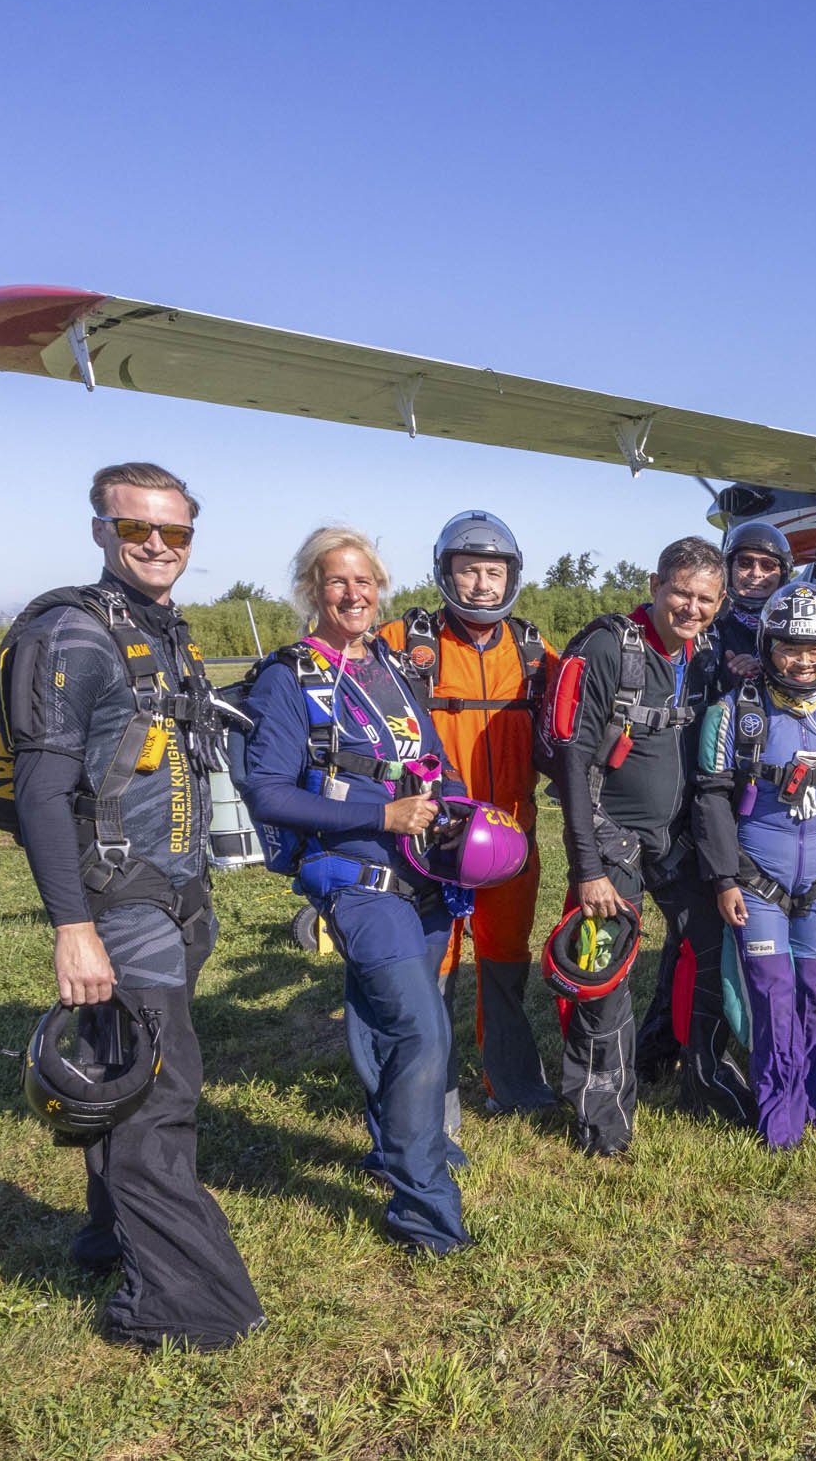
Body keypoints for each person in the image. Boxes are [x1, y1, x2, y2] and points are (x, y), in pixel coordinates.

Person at [5, 462, 263, 1347]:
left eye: (175, 531)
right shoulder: (74, 635)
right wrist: (73, 929)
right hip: (116, 903)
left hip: (170, 894)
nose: (157, 544)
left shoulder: (158, 628)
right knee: (159, 1097)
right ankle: (192, 1307)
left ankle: (108, 1236)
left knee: (125, 1071)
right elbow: (42, 794)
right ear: (101, 531)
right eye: (136, 528)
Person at [241, 525, 473, 1253]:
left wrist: (464, 816)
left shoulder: (394, 669)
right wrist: (381, 813)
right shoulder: (289, 677)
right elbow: (268, 791)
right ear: (312, 589)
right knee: (421, 1028)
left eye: (364, 580)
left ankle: (396, 1143)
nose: (353, 593)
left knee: (385, 1020)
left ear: (381, 590)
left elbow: (431, 760)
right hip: (360, 881)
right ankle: (424, 1202)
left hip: (425, 874)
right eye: (336, 580)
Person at [544, 536, 750, 1151]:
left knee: (713, 947)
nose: (692, 608)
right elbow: (572, 763)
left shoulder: (704, 652)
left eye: (706, 599)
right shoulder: (608, 647)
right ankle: (601, 1118)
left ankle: (698, 1072)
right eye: (682, 593)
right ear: (656, 585)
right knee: (604, 973)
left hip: (675, 837)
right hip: (612, 841)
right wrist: (587, 868)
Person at [375, 510, 554, 1120]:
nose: (482, 584)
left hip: (508, 841)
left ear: (512, 577)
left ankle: (513, 1082)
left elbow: (579, 716)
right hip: (430, 841)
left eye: (494, 572)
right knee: (435, 969)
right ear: (445, 573)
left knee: (505, 959)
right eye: (469, 570)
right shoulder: (405, 643)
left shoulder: (533, 652)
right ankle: (434, 1096)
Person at [692, 580, 816, 1150]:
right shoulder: (734, 712)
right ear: (766, 647)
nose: (803, 660)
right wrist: (724, 878)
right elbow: (711, 797)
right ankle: (776, 1109)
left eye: (815, 649)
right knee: (771, 993)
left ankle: (806, 1091)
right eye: (789, 647)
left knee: (814, 993)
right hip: (757, 880)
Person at [712, 519, 794, 679]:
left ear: (782, 573)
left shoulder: (797, 629)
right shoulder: (711, 630)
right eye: (745, 563)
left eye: (768, 565)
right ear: (728, 569)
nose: (756, 573)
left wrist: (767, 669)